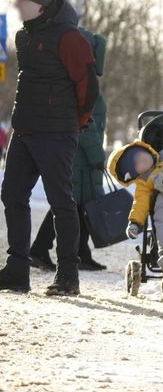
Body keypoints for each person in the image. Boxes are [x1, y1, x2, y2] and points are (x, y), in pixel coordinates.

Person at [0, 0, 98, 296]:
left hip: (57, 132)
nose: (16, 4)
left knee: (61, 201)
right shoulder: (24, 37)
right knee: (12, 194)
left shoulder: (69, 38)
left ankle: (67, 275)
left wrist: (77, 120)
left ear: (39, 5)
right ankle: (17, 270)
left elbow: (88, 85)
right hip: (25, 129)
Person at [30, 27, 109, 273]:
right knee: (69, 204)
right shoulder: (80, 84)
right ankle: (40, 249)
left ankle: (79, 252)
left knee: (80, 204)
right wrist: (98, 156)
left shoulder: (73, 80)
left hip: (79, 155)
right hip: (79, 155)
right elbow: (86, 124)